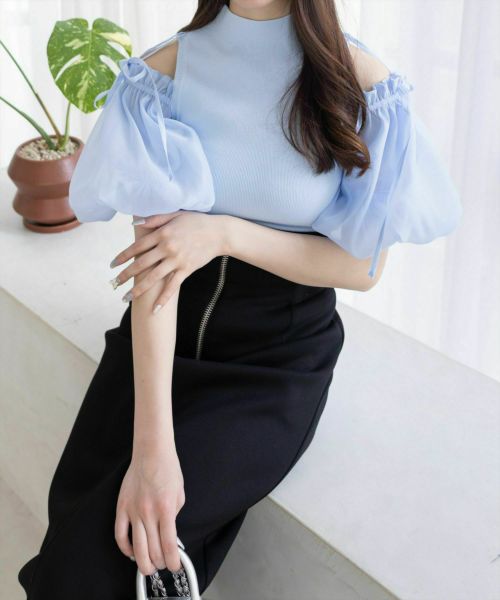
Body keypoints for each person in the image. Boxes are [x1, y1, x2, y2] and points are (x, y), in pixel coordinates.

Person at [18, 0, 462, 597]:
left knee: (113, 560)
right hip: (161, 341)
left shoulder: (358, 80)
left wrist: (223, 233)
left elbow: (362, 269)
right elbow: (155, 273)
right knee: (70, 542)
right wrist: (152, 450)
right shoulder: (162, 75)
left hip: (275, 362)